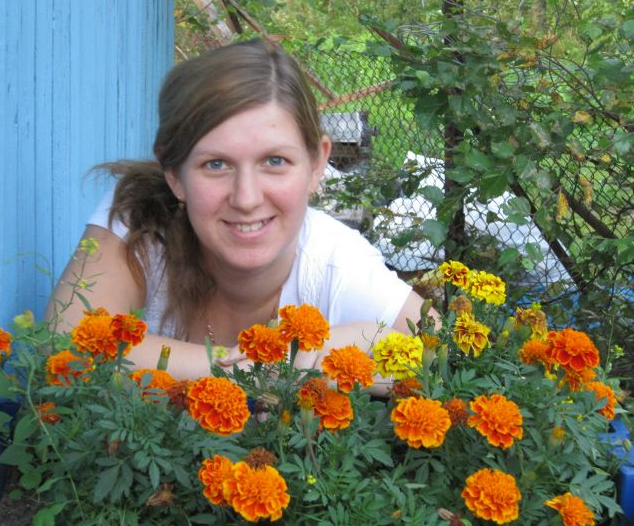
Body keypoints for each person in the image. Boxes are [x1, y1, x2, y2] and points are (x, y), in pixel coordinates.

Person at [46, 38, 434, 386]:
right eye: (216, 164)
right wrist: (270, 368)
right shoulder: (140, 218)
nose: (246, 198)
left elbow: (445, 354)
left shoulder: (336, 267)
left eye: (275, 161)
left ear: (317, 164)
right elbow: (65, 345)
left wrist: (354, 345)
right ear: (175, 175)